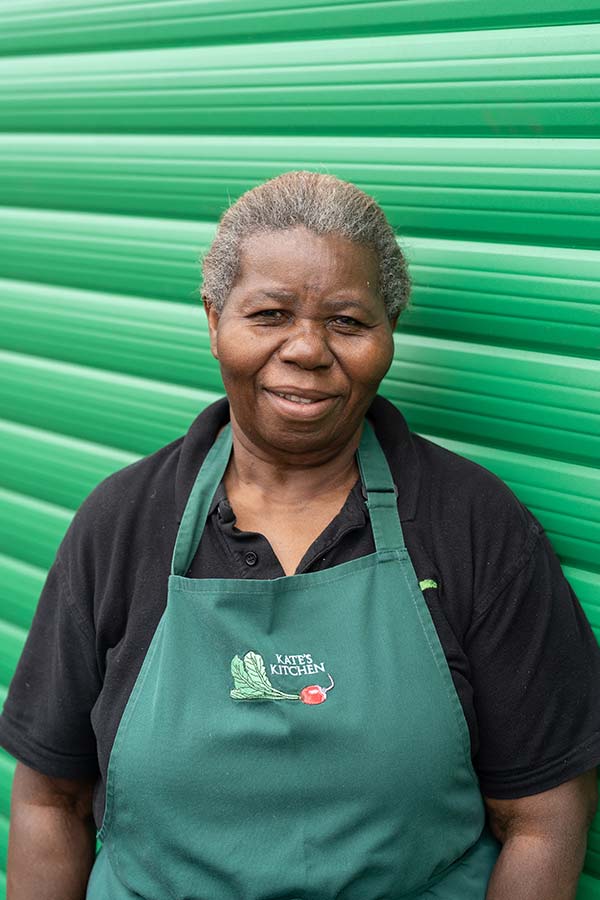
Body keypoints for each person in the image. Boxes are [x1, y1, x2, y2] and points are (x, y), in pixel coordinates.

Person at [1, 171, 599, 900]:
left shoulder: (472, 524)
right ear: (213, 319)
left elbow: (543, 815)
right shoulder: (122, 523)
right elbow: (48, 800)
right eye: (271, 314)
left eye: (348, 321)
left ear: (389, 334)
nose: (308, 349)